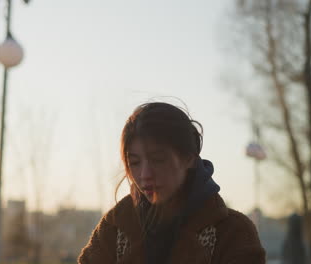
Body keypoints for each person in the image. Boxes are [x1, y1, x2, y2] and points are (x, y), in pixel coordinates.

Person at [78, 102, 266, 264]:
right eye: (134, 162)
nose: (145, 174)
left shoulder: (232, 232)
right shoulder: (114, 229)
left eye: (158, 159)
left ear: (189, 158)